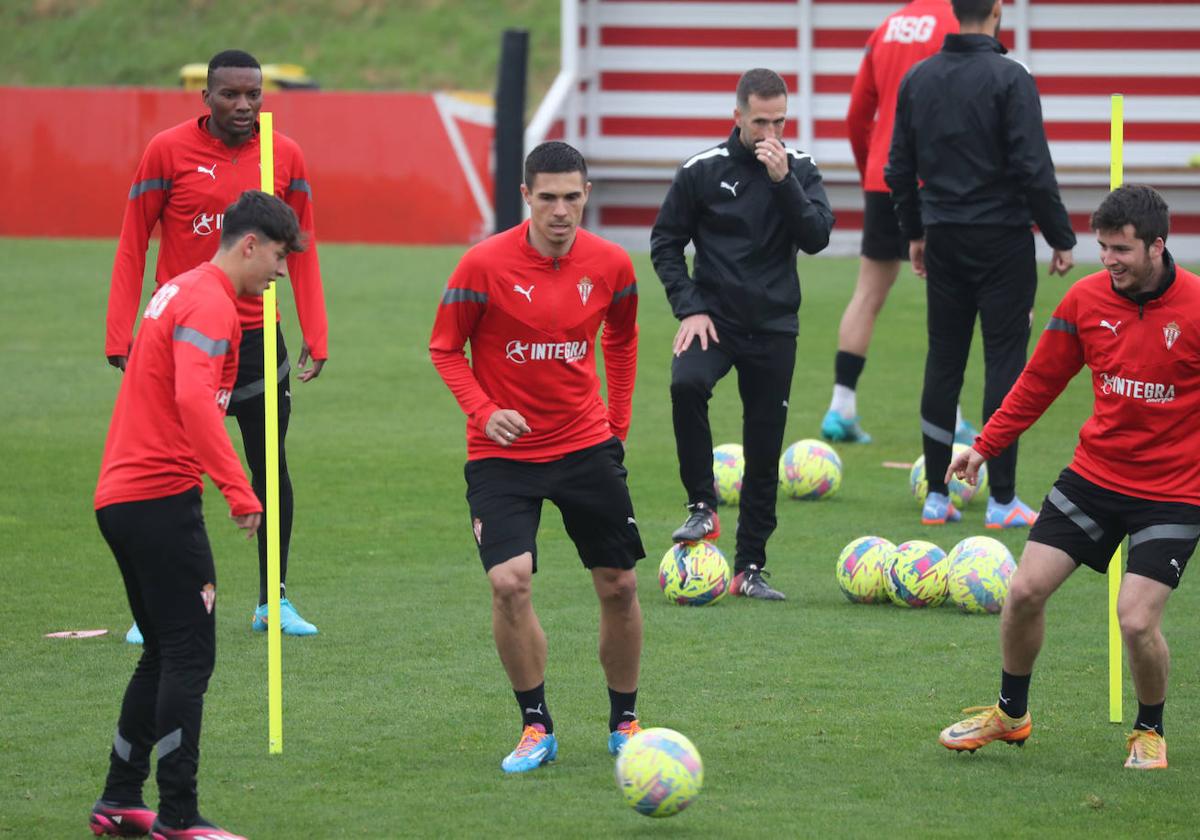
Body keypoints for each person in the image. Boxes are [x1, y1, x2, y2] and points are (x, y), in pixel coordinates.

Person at [939, 185, 1198, 771]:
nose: (1108, 260)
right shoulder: (1085, 301)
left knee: (1135, 618)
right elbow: (1038, 383)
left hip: (1173, 493)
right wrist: (983, 448)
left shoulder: (1196, 308)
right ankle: (1011, 715)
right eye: (1102, 247)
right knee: (1024, 592)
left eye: (1122, 250)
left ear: (1158, 246)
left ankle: (1149, 730)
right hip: (1095, 478)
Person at [90, 191, 303, 839]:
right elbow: (192, 399)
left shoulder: (185, 289)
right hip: (158, 497)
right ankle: (178, 817)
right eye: (277, 255)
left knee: (161, 651)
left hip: (121, 498)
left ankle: (120, 801)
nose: (283, 270)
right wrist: (241, 492)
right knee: (189, 654)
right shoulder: (210, 302)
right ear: (249, 244)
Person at [429, 141, 645, 773]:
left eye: (571, 197)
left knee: (620, 584)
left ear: (586, 196)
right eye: (547, 197)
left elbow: (623, 338)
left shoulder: (611, 264)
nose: (560, 210)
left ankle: (625, 720)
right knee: (508, 582)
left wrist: (617, 423)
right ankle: (536, 726)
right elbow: (446, 349)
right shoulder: (482, 265)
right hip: (502, 454)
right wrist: (482, 409)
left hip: (585, 445)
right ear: (526, 197)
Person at [105, 49, 328, 641]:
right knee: (171, 473)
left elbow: (300, 247)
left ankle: (271, 601)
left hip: (258, 340)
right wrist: (119, 330)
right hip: (181, 338)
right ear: (205, 97)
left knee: (269, 469)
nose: (243, 105)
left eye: (253, 94)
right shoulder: (166, 150)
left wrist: (316, 329)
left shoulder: (285, 153)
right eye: (230, 94)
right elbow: (133, 240)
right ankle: (152, 606)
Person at [885, 0, 1076, 528]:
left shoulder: (918, 79)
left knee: (943, 358)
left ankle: (936, 498)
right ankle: (1002, 500)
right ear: (998, 11)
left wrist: (915, 233)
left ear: (953, 9)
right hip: (1003, 240)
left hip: (943, 236)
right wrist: (1060, 238)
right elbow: (1034, 168)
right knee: (1004, 360)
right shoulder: (1012, 78)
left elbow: (898, 169)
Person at [650, 68, 834, 600]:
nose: (770, 132)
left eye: (779, 121)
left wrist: (784, 184)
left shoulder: (799, 169)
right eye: (760, 121)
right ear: (737, 117)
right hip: (716, 322)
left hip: (775, 327)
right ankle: (702, 507)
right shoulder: (702, 171)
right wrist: (689, 308)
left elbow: (818, 236)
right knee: (686, 385)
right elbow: (666, 242)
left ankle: (749, 567)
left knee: (763, 443)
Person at [821, 0, 960, 445]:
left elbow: (856, 114)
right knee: (948, 298)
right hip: (936, 179)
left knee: (867, 293)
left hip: (884, 176)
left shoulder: (887, 27)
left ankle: (840, 406)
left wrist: (871, 170)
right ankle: (952, 418)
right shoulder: (959, 22)